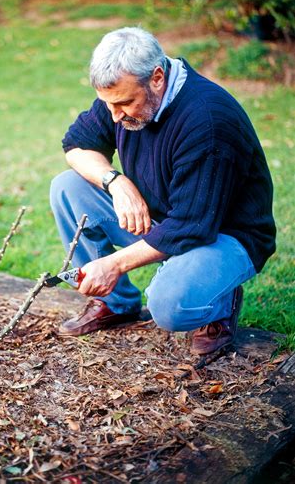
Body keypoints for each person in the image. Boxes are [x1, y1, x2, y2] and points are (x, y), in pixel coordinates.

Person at [50, 27, 276, 355]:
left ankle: (220, 303)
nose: (114, 115)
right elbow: (76, 145)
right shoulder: (123, 95)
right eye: (108, 104)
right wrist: (116, 181)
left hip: (223, 235)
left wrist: (112, 264)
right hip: (168, 220)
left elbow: (191, 227)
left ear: (157, 77)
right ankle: (116, 304)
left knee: (169, 306)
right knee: (67, 187)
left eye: (125, 103)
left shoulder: (208, 123)